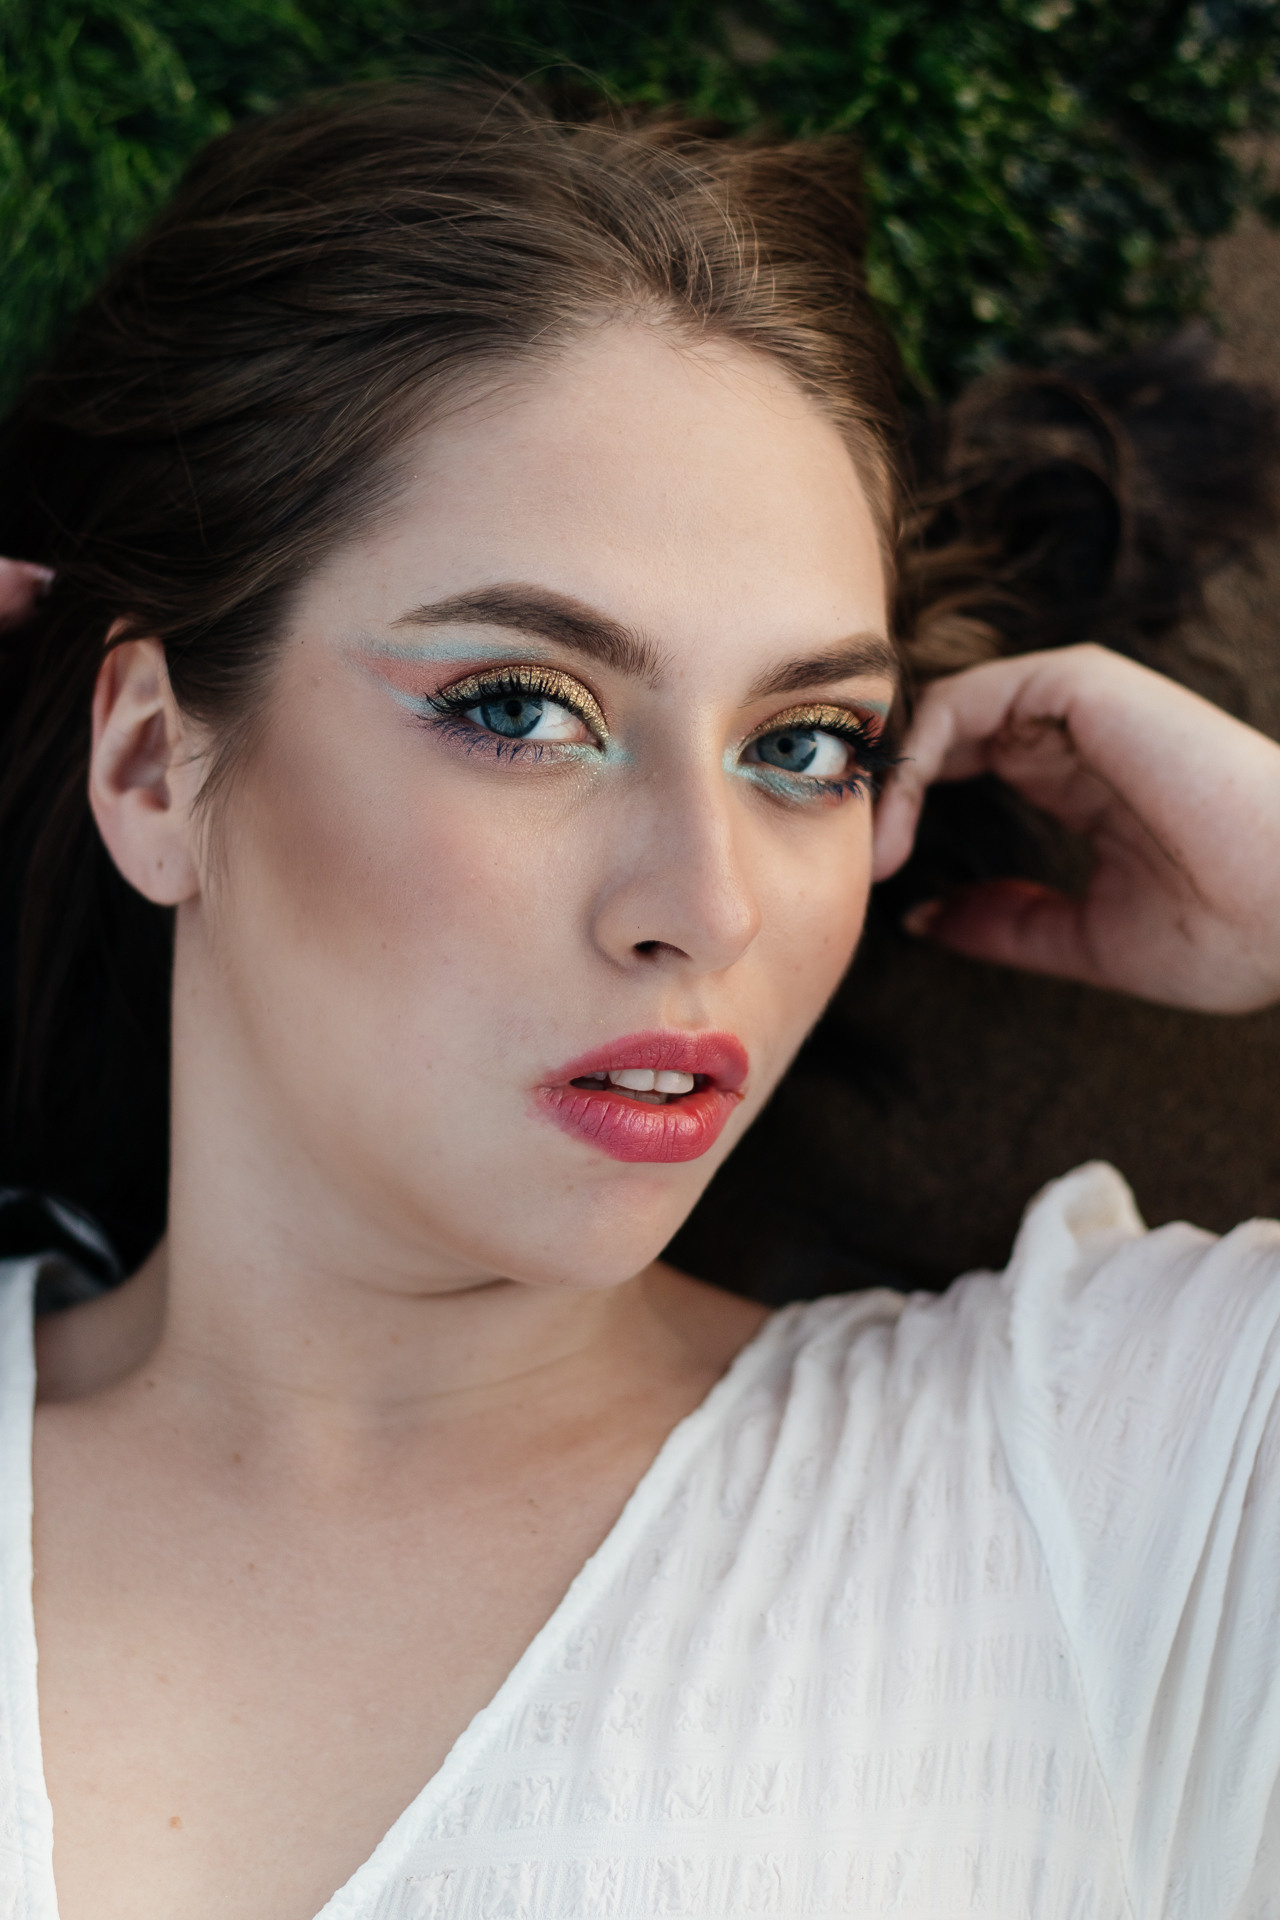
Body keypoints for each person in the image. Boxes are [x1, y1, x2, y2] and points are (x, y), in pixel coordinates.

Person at [1, 81, 1278, 1920]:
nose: (709, 905)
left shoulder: (1104, 1482)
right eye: (525, 708)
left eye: (807, 745)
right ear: (151, 765)